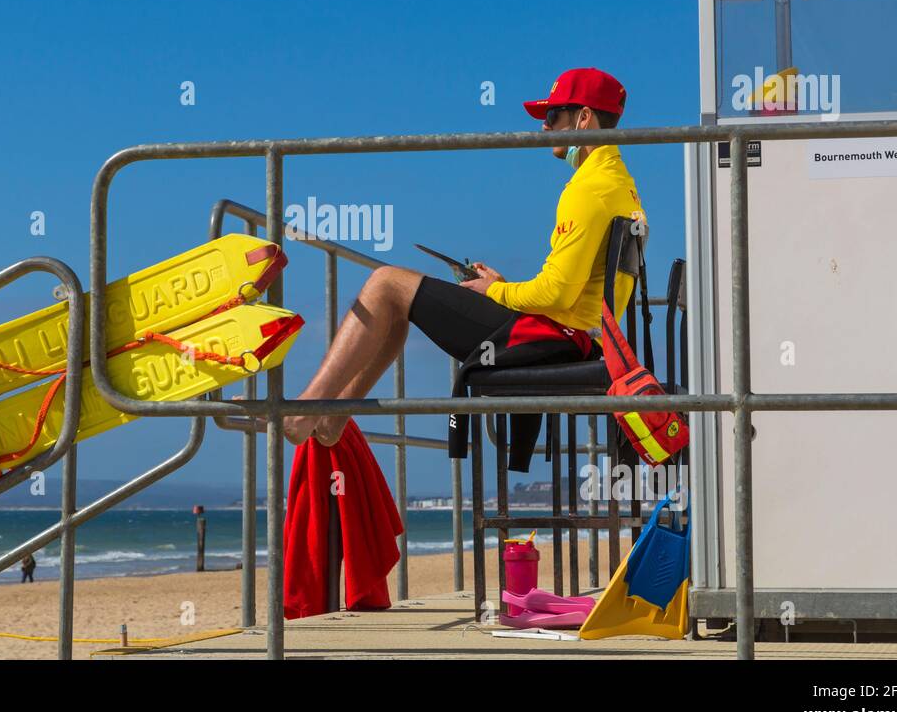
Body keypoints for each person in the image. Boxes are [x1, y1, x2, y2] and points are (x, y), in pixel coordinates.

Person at [274, 67, 646, 448]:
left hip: (549, 342)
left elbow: (556, 295)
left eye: (553, 117)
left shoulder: (588, 189)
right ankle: (332, 417)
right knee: (399, 302)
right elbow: (573, 290)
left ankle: (306, 411)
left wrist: (495, 292)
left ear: (584, 118)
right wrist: (499, 286)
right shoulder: (621, 185)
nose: (546, 129)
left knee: (386, 283)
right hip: (575, 338)